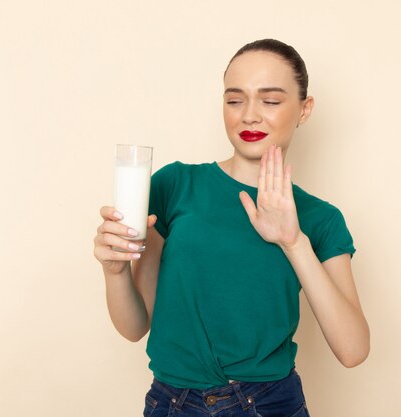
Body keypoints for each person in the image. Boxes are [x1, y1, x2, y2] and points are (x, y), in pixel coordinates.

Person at [94, 39, 370, 417]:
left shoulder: (320, 218)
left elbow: (353, 350)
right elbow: (134, 326)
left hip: (269, 405)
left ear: (305, 109)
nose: (249, 116)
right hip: (171, 404)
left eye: (270, 101)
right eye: (234, 100)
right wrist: (114, 272)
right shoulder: (174, 186)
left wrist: (294, 242)